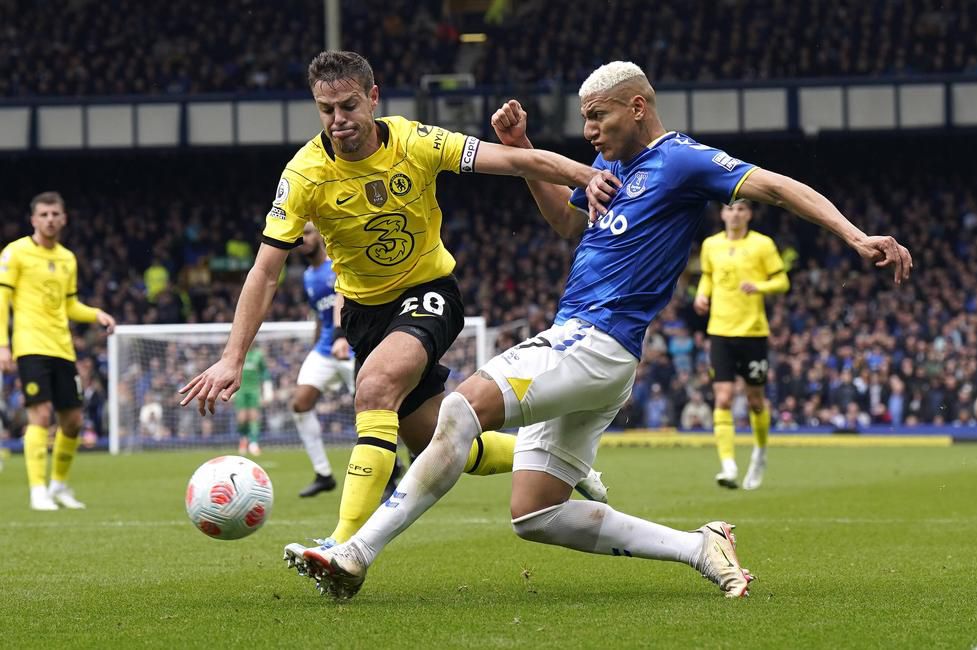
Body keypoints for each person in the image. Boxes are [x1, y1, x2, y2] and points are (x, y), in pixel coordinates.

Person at [301, 61, 913, 601]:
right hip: (598, 356)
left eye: (598, 116)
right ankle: (700, 547)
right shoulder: (607, 168)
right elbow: (565, 227)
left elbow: (776, 186)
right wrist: (522, 148)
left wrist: (856, 236)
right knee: (534, 513)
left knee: (459, 411)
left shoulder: (680, 160)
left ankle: (356, 551)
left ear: (637, 107)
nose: (590, 130)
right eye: (585, 120)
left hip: (594, 339)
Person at [178, 51, 609, 554]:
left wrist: (585, 176)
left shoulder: (415, 141)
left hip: (428, 293)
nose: (338, 120)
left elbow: (513, 160)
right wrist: (233, 357)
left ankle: (342, 544)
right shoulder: (304, 174)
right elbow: (265, 271)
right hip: (364, 315)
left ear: (373, 98)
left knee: (375, 386)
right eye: (326, 110)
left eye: (348, 106)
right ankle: (559, 461)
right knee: (435, 442)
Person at [0, 191, 117, 510]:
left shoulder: (67, 258)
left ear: (64, 218)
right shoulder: (16, 253)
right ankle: (37, 490)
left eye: (55, 214)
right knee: (39, 414)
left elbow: (68, 305)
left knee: (73, 421)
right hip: (30, 345)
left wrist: (95, 313)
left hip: (62, 348)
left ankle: (59, 486)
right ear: (33, 219)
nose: (50, 219)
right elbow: (3, 300)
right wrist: (3, 344)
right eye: (44, 214)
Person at [694, 199, 790, 490]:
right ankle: (728, 465)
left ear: (748, 214)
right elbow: (708, 276)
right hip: (720, 330)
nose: (735, 214)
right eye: (730, 209)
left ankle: (760, 452)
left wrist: (759, 286)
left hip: (753, 332)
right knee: (723, 397)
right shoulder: (711, 245)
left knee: (755, 401)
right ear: (722, 213)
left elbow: (782, 281)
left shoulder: (762, 244)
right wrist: (701, 294)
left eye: (741, 209)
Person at [290, 221, 355, 497]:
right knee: (299, 403)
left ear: (320, 234)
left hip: (354, 347)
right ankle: (323, 474)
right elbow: (319, 314)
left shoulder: (339, 263)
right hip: (326, 347)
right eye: (298, 235)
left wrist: (346, 337)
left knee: (375, 410)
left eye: (306, 232)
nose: (302, 239)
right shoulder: (307, 276)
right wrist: (316, 345)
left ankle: (393, 467)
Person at [235, 346, 271, 456]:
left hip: (254, 390)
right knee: (242, 418)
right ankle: (243, 440)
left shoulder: (258, 355)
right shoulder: (238, 353)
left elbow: (265, 373)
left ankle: (254, 443)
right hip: (240, 390)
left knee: (254, 417)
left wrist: (267, 390)